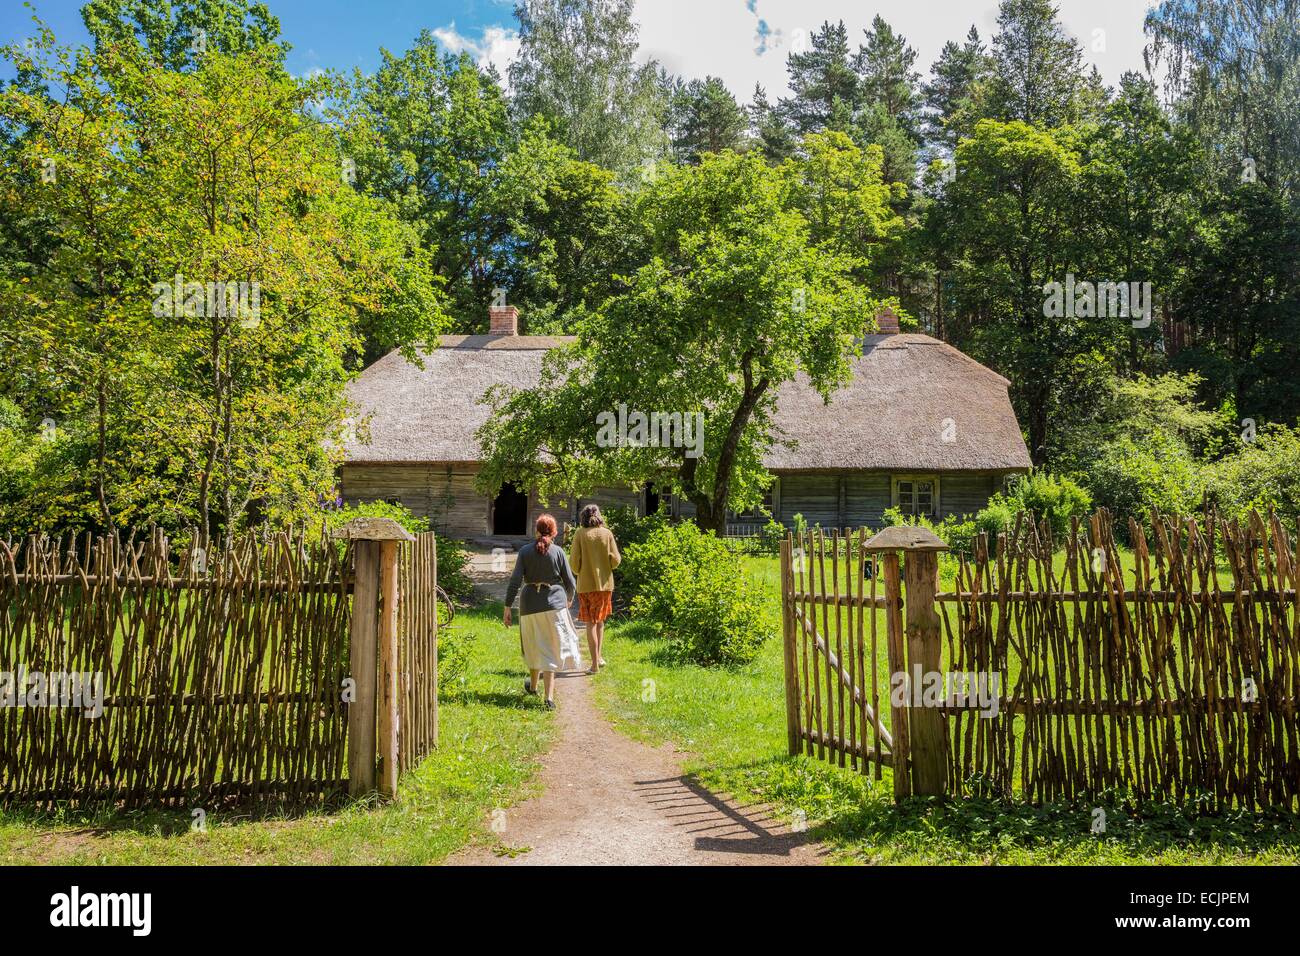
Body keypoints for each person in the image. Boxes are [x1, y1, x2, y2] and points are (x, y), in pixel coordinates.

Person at [503, 513, 580, 710]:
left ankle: (534, 686)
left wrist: (507, 606)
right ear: (554, 532)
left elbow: (515, 581)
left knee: (533, 645)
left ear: (536, 530)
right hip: (554, 605)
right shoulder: (559, 552)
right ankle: (548, 697)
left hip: (529, 605)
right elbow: (570, 581)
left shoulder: (524, 552)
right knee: (550, 648)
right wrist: (569, 597)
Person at [569, 504, 621, 674]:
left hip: (586, 585)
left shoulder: (579, 534)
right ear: (599, 515)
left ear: (583, 517)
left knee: (590, 622)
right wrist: (606, 566)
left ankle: (594, 665)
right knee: (600, 621)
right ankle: (598, 657)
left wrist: (580, 572)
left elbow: (574, 562)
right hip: (605, 585)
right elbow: (616, 560)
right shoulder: (607, 534)